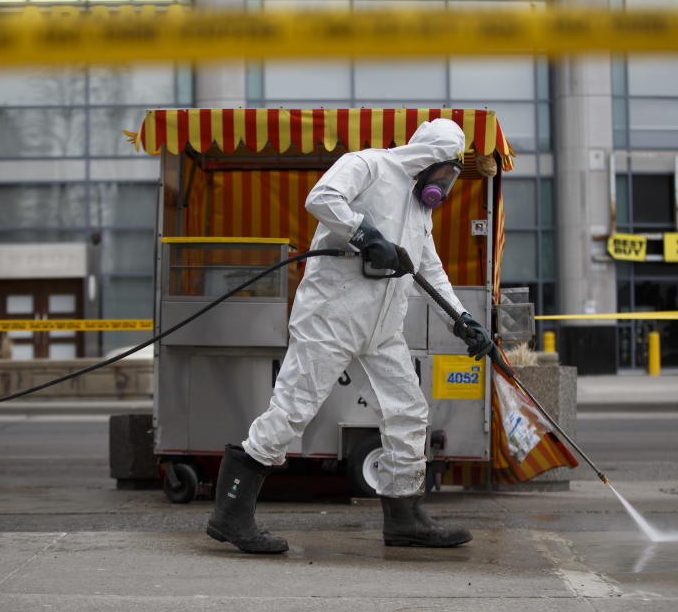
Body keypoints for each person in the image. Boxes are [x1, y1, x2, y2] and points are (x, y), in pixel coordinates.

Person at [206, 118, 495, 554]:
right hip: (330, 319)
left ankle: (404, 517)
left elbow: (428, 270)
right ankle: (230, 515)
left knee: (408, 413)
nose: (449, 185)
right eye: (449, 172)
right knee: (292, 411)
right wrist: (365, 235)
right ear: (429, 161)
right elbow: (321, 198)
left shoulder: (419, 211)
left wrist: (463, 319)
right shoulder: (368, 166)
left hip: (381, 329)